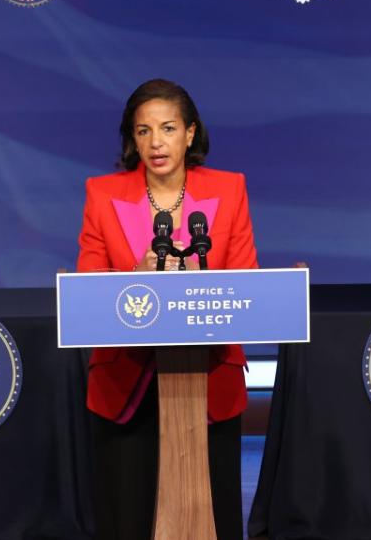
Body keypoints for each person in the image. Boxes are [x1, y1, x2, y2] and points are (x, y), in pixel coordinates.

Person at [77, 79, 257, 540]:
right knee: (129, 517)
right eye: (143, 131)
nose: (156, 143)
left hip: (209, 378)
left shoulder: (230, 189)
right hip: (127, 380)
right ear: (131, 138)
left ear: (191, 133)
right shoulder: (102, 193)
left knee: (210, 517)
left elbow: (245, 282)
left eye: (169, 128)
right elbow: (88, 288)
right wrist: (135, 279)